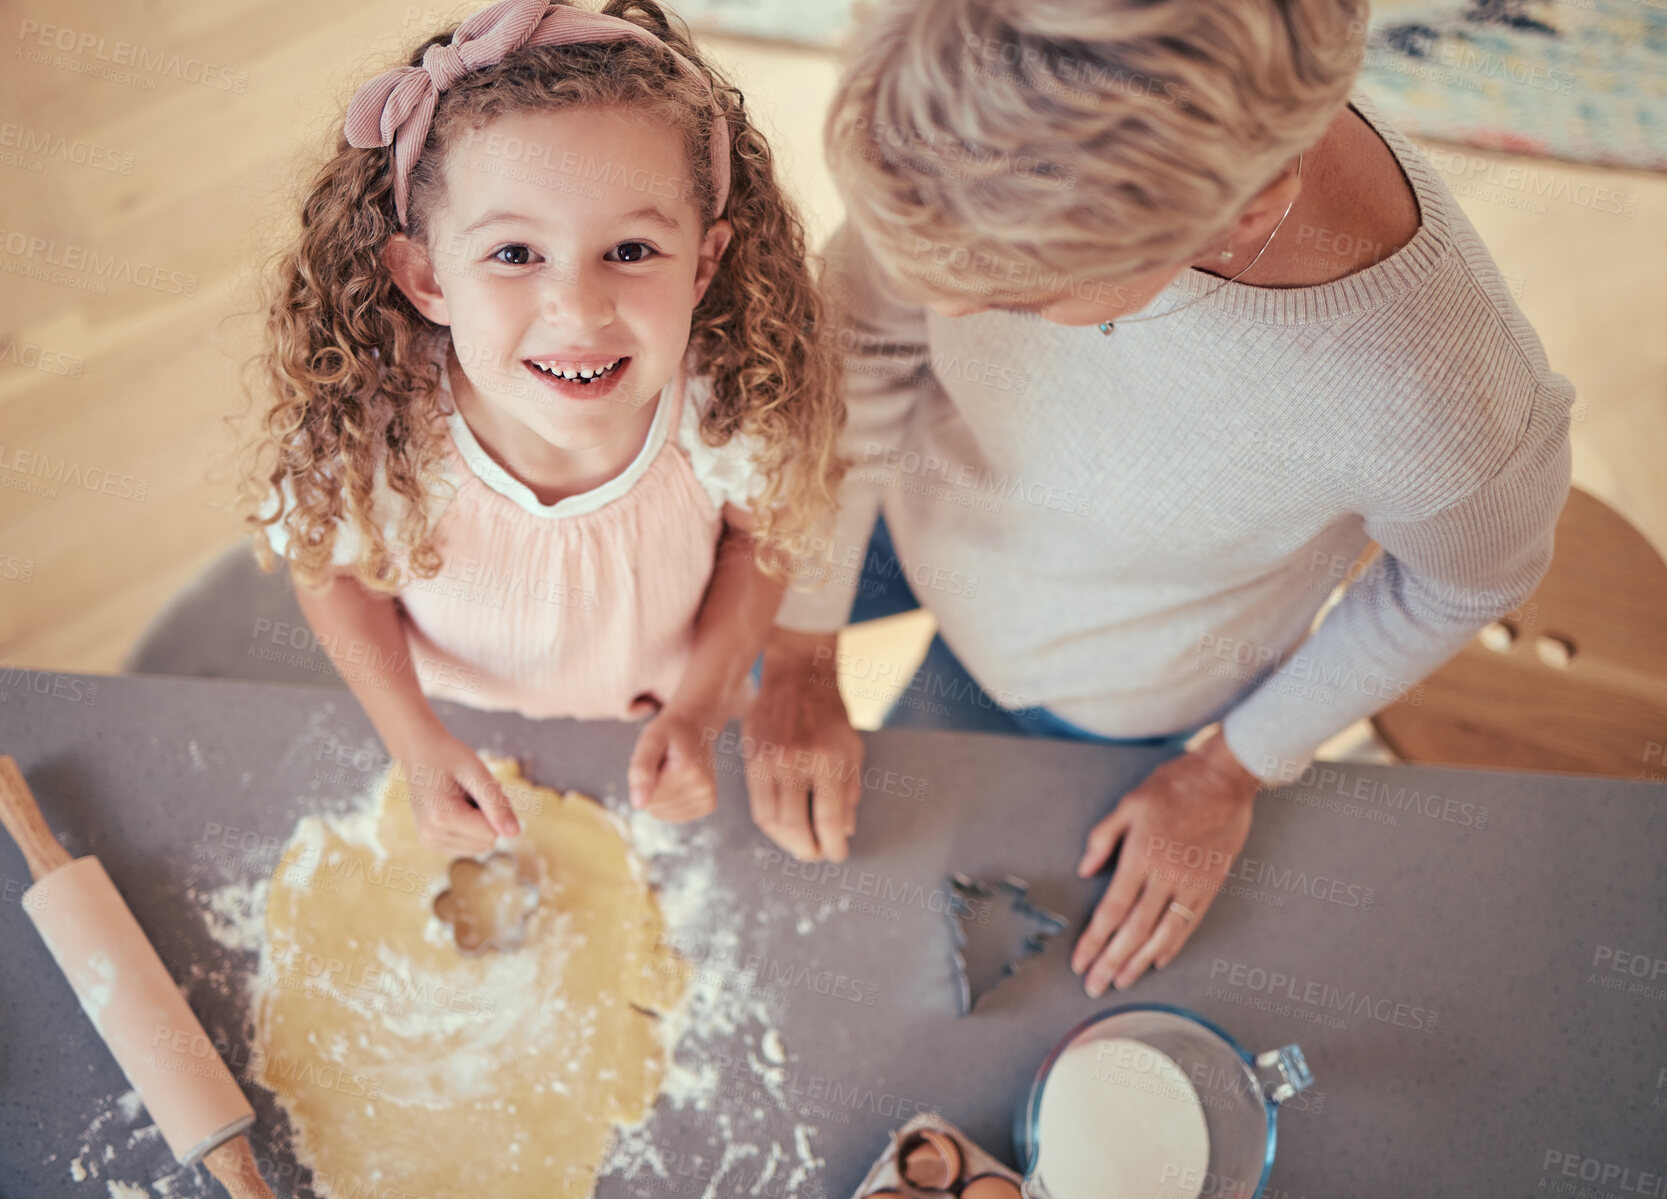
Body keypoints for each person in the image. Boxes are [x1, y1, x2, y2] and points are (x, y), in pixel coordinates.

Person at [745, 0, 1574, 997]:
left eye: (1021, 299)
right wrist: (798, 644)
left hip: (1095, 685)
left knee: (918, 917)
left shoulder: (1444, 401)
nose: (946, 313)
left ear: (1245, 212)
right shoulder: (970, 139)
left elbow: (1456, 586)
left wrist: (1229, 769)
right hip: (899, 508)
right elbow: (868, 348)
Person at [243, 0, 843, 856]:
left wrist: (702, 705)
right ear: (425, 277)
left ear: (704, 263)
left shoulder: (734, 408)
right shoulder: (380, 431)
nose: (579, 310)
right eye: (515, 254)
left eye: (631, 250)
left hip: (654, 724)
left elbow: (763, 540)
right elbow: (331, 573)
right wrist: (412, 740)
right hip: (453, 731)